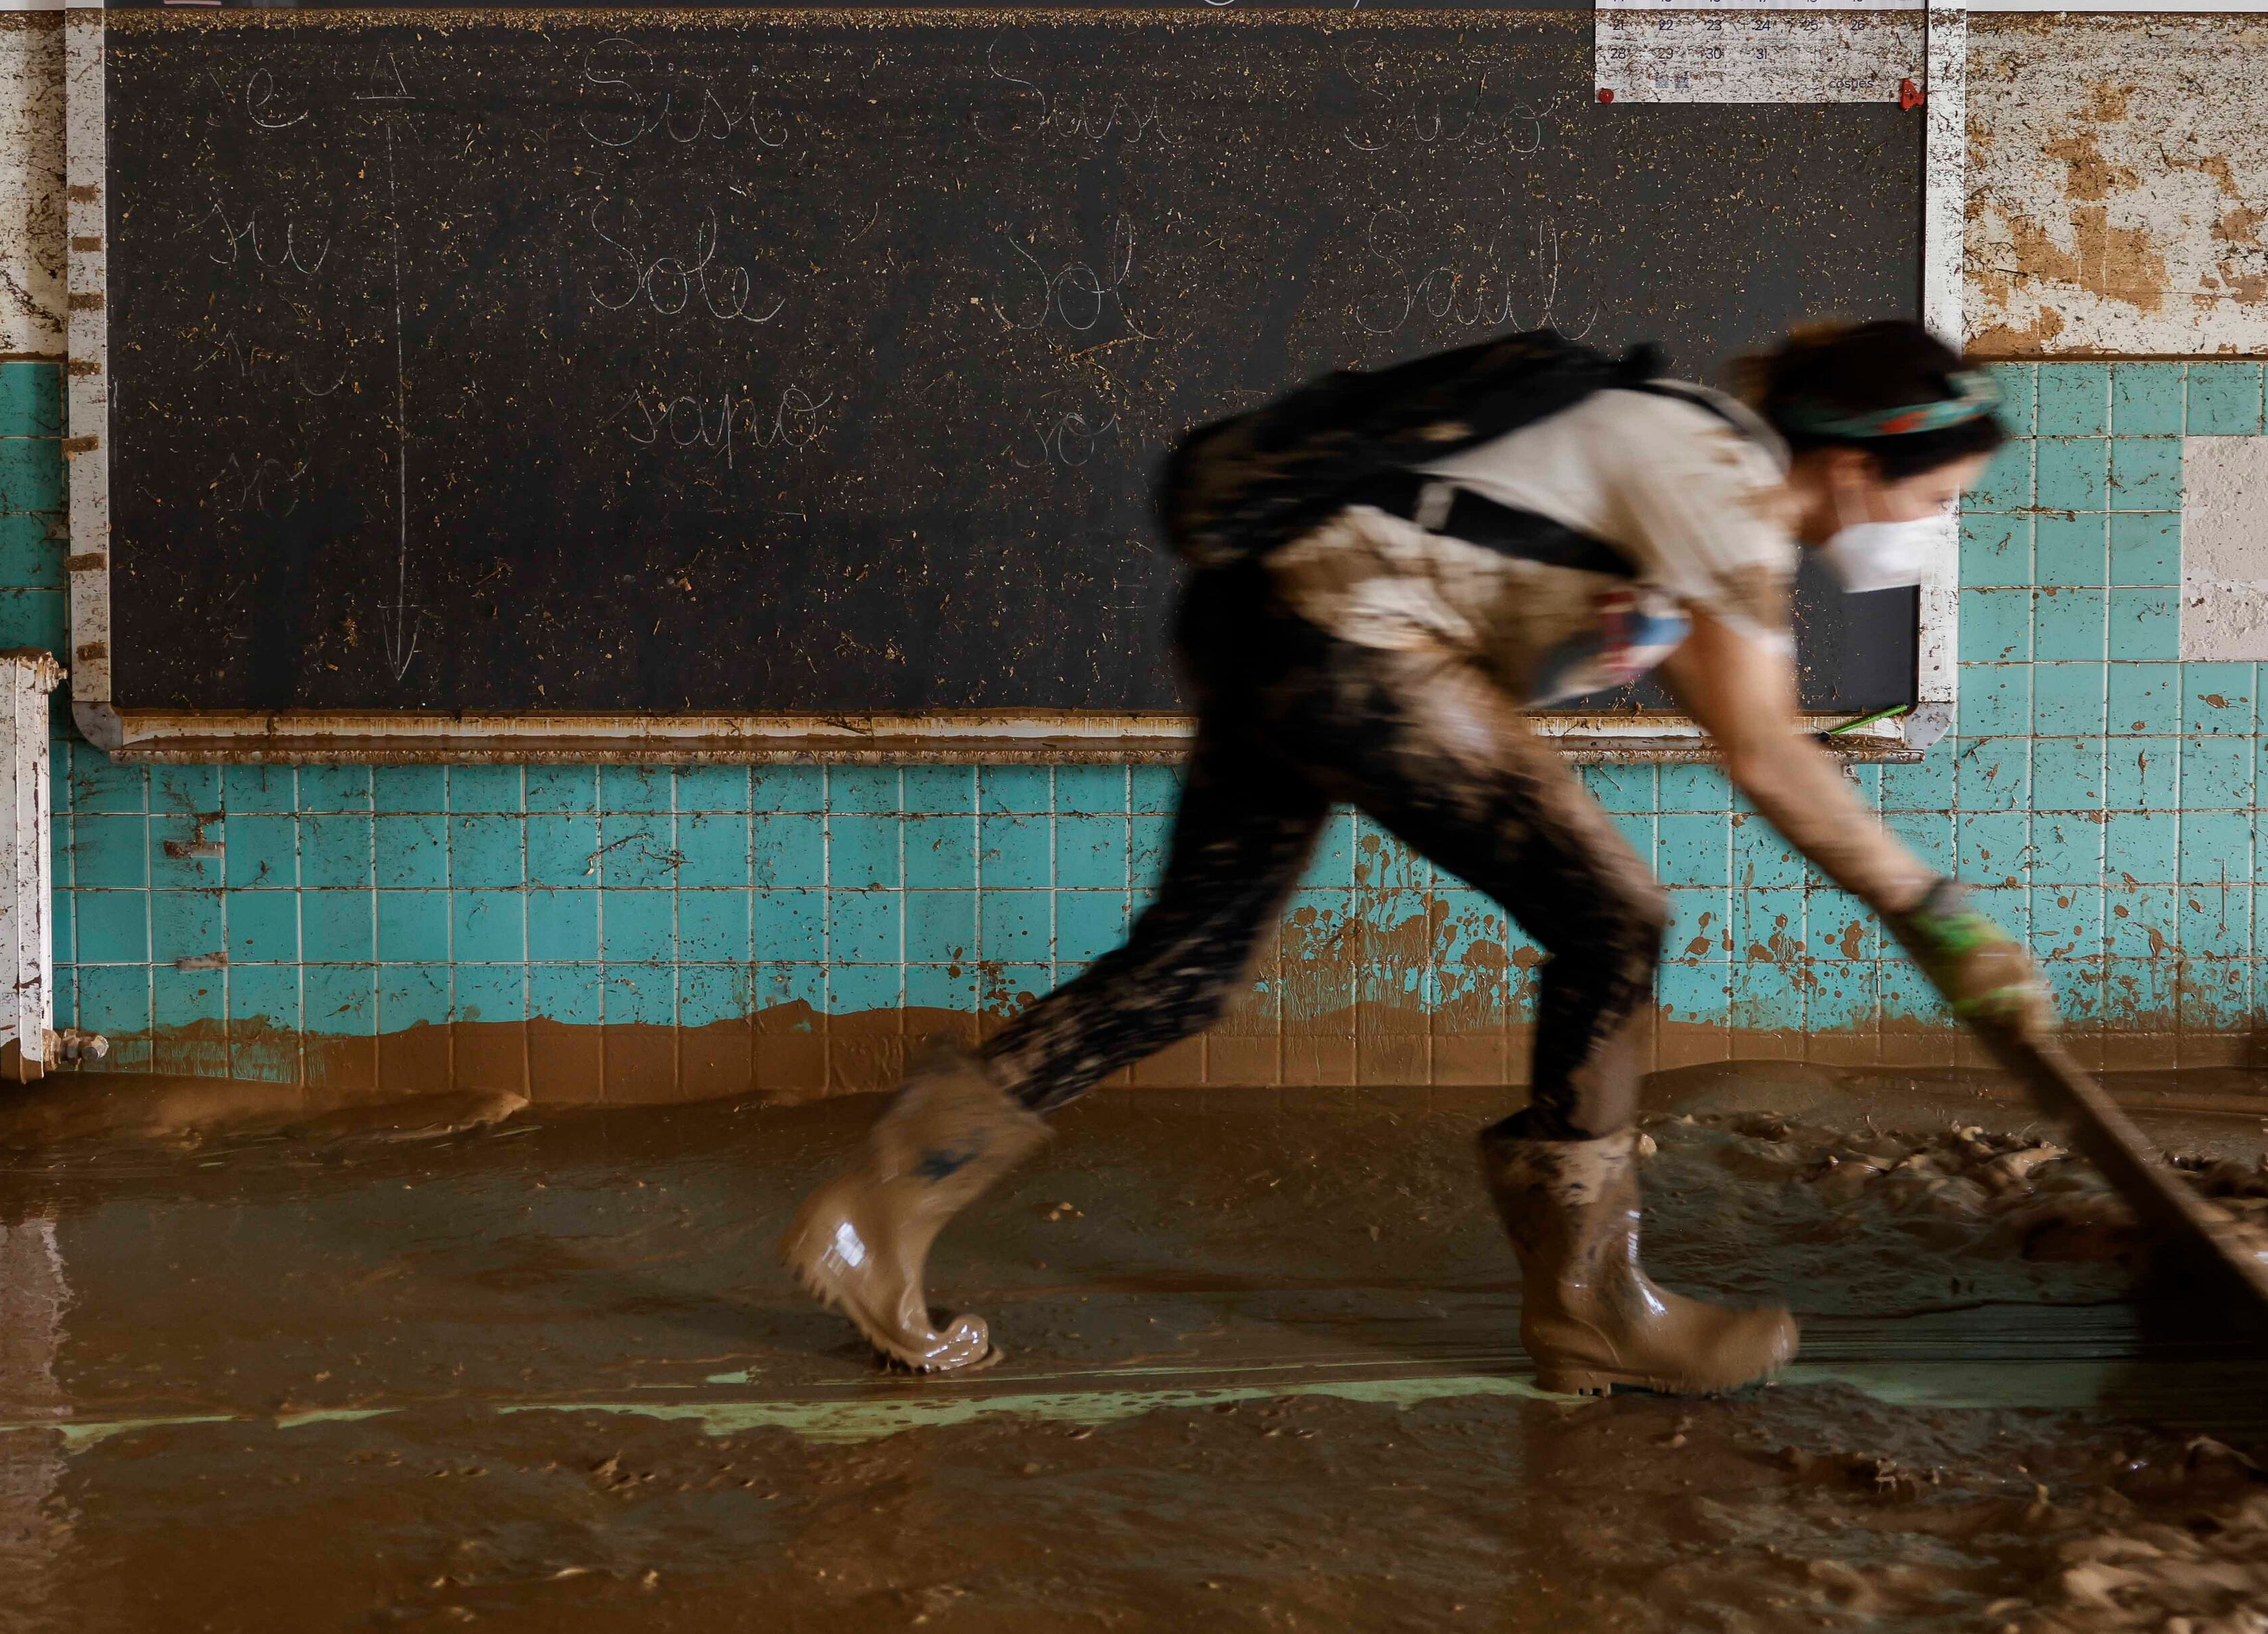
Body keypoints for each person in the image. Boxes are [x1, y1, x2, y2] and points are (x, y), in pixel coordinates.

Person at [782, 319, 2054, 1394]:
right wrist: (1939, 916)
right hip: (1351, 647)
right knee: (1616, 921)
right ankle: (1592, 1301)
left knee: (1188, 966)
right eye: (1934, 500)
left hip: (1264, 620)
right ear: (1851, 464)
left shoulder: (1684, 445)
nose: (1931, 528)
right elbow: (1768, 752)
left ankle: (885, 1207)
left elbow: (1582, 620)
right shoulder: (1725, 485)